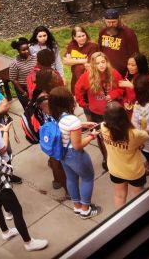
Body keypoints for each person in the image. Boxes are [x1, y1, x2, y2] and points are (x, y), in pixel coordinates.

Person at [0, 122, 48, 251]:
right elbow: (3, 168)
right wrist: (10, 167)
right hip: (1, 186)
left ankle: (6, 232)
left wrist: (2, 131)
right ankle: (28, 242)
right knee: (17, 211)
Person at [48, 87, 102, 219]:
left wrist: (81, 124)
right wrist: (92, 136)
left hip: (63, 154)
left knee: (71, 179)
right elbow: (77, 145)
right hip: (75, 155)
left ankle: (77, 206)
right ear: (67, 101)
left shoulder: (54, 116)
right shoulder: (72, 120)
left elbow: (66, 127)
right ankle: (86, 210)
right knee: (88, 178)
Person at [75, 51, 124, 168]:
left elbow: (122, 89)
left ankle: (119, 157)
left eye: (103, 62)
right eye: (98, 63)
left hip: (113, 112)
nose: (101, 65)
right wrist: (83, 104)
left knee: (116, 135)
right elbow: (77, 89)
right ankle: (106, 159)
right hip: (97, 113)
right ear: (93, 65)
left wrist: (113, 94)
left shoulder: (113, 73)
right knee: (102, 137)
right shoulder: (87, 76)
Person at [101, 101, 148, 208]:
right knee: (137, 196)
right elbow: (146, 135)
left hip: (115, 169)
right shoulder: (134, 134)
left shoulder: (103, 127)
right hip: (133, 171)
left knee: (119, 195)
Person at [98, 9, 139, 77]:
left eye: (114, 22)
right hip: (106, 71)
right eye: (108, 22)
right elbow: (100, 51)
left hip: (124, 73)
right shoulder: (102, 32)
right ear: (104, 20)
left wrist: (130, 72)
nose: (111, 25)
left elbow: (135, 55)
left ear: (119, 20)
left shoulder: (128, 33)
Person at [63, 26, 99, 93]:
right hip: (75, 79)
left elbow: (89, 62)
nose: (82, 38)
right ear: (74, 37)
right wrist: (82, 60)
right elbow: (66, 61)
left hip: (87, 79)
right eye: (79, 36)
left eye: (83, 35)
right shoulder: (72, 45)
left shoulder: (92, 46)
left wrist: (72, 61)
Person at [119, 53, 149, 120]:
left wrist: (132, 87)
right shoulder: (128, 75)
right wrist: (125, 102)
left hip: (142, 113)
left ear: (140, 66)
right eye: (128, 64)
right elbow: (125, 93)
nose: (129, 67)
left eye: (133, 65)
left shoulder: (147, 80)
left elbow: (147, 98)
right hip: (130, 112)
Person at [8, 38, 37, 109]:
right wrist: (23, 92)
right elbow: (13, 79)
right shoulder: (15, 63)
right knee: (29, 109)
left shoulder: (35, 58)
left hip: (36, 87)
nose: (26, 51)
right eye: (23, 50)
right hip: (24, 89)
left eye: (27, 48)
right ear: (18, 51)